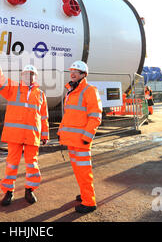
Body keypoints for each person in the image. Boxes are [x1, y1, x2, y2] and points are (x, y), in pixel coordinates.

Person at [0, 58, 49, 206]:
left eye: (31, 74)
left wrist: (45, 134)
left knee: (32, 165)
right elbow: (0, 81)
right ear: (21, 76)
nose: (28, 77)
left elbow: (43, 117)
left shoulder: (41, 95)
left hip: (32, 136)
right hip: (15, 135)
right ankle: (8, 192)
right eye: (25, 74)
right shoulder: (13, 89)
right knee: (11, 164)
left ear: (35, 77)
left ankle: (29, 190)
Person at [57, 60, 102, 214]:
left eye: (77, 71)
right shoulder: (71, 91)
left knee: (84, 171)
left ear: (84, 74)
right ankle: (85, 194)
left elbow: (95, 116)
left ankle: (89, 202)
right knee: (78, 171)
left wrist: (87, 137)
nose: (73, 73)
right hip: (71, 140)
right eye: (72, 71)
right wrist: (60, 132)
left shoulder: (89, 90)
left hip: (81, 141)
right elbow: (69, 116)